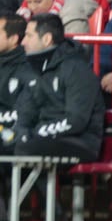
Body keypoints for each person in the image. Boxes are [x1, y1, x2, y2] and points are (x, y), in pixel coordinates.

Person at [1, 14, 104, 162]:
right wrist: (20, 132)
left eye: (29, 36)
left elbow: (76, 121)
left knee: (24, 147)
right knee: (10, 143)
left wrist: (35, 133)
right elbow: (26, 111)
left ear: (46, 39)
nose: (23, 42)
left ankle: (34, 186)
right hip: (43, 138)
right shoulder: (35, 69)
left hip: (80, 141)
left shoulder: (76, 69)